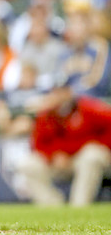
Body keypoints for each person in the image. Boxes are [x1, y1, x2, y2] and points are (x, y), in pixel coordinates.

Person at [15, 77, 111, 206]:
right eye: (55, 91)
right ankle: (54, 207)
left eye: (62, 91)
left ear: (70, 91)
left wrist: (104, 147)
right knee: (27, 164)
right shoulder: (46, 114)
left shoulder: (86, 107)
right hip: (58, 162)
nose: (59, 95)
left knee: (92, 154)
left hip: (83, 158)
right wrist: (53, 155)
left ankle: (79, 207)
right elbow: (38, 145)